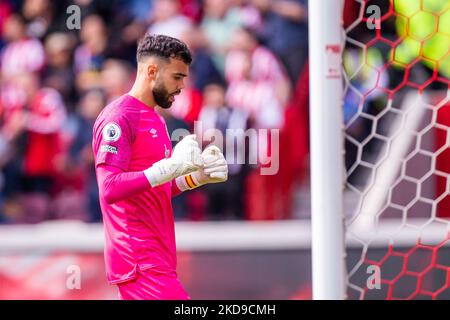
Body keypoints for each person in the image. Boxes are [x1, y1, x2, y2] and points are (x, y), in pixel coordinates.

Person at [92, 34, 228, 300]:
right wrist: (169, 168)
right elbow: (109, 188)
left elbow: (152, 187)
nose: (181, 87)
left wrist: (193, 178)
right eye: (177, 77)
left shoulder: (156, 119)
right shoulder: (119, 117)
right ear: (152, 71)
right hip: (140, 260)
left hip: (157, 260)